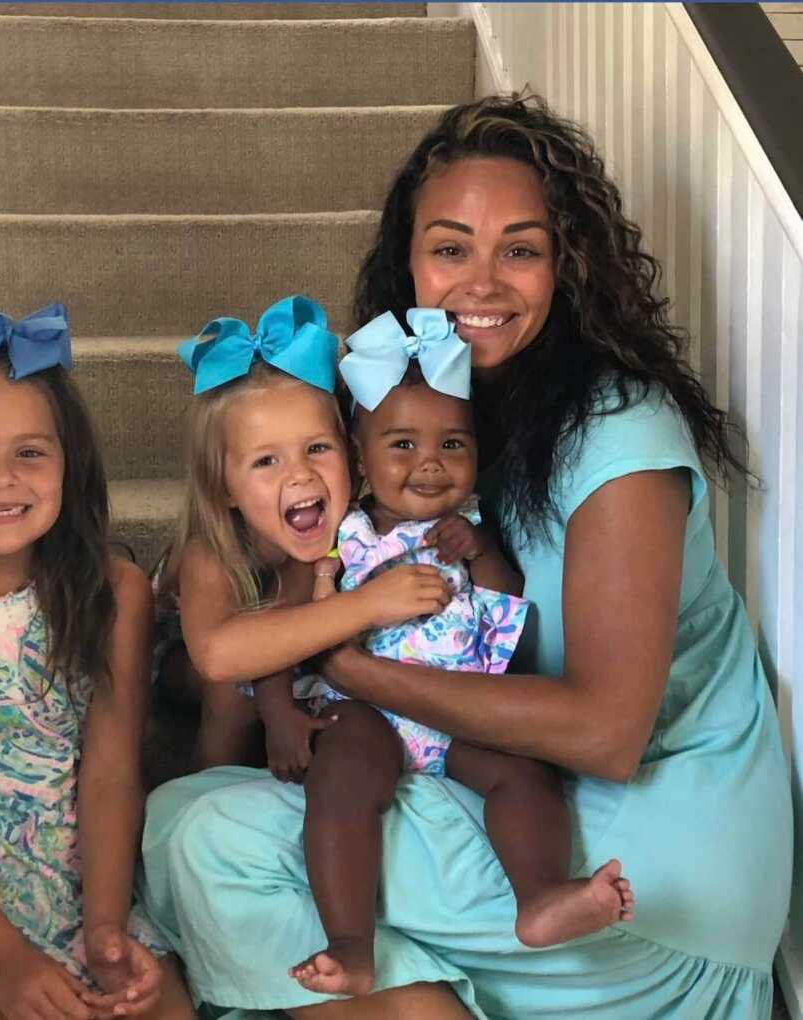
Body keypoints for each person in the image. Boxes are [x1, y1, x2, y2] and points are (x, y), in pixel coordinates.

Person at [140, 94, 793, 1019]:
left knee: (199, 830)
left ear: (565, 268)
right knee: (242, 820)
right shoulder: (450, 423)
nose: (482, 284)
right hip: (532, 807)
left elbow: (606, 734)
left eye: (520, 250)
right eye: (451, 249)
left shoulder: (618, 433)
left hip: (653, 890)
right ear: (407, 266)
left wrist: (347, 663)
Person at [289, 307, 632, 997]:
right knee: (344, 783)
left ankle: (539, 896)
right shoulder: (340, 535)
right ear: (359, 459)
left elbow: (510, 608)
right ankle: (351, 943)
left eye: (453, 445)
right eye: (403, 446)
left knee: (525, 773)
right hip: (365, 711)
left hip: (461, 708)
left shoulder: (470, 526)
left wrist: (479, 552)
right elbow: (291, 628)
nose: (430, 465)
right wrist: (276, 711)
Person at [0, 303, 196, 1020]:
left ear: (69, 468)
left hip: (83, 882)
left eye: (29, 452)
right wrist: (4, 962)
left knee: (158, 1006)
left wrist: (104, 930)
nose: (0, 478)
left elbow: (109, 774)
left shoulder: (115, 594)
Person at [154, 293, 451, 785]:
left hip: (297, 640)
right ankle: (207, 791)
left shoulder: (354, 524)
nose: (299, 476)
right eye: (265, 461)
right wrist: (369, 605)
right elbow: (218, 654)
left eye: (316, 449)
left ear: (354, 459)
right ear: (225, 488)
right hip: (185, 657)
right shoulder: (211, 551)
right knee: (234, 693)